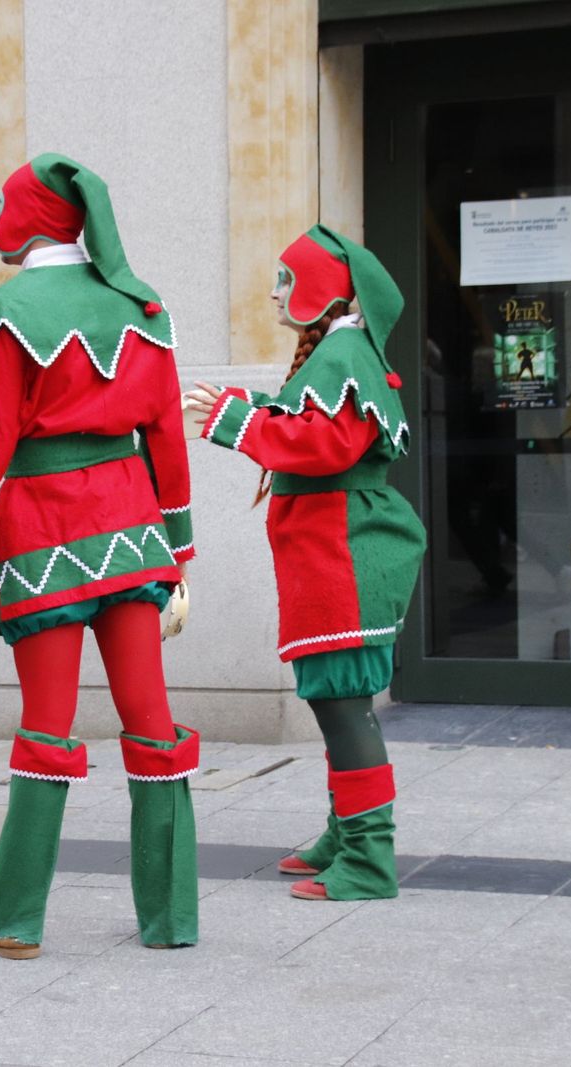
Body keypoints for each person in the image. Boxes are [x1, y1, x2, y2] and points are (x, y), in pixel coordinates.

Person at [0, 153, 199, 957]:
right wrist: (179, 551)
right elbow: (165, 434)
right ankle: (171, 918)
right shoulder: (142, 308)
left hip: (47, 536)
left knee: (47, 728)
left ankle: (11, 920)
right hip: (134, 536)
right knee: (152, 726)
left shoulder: (4, 312)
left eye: (3, 202)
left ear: (29, 216)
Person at [185, 224, 426, 901]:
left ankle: (369, 858)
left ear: (325, 289)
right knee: (335, 703)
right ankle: (346, 832)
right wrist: (245, 410)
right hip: (330, 555)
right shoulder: (345, 351)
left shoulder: (344, 349)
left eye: (286, 281)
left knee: (346, 707)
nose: (273, 292)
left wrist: (236, 423)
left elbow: (324, 446)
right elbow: (306, 418)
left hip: (342, 557)